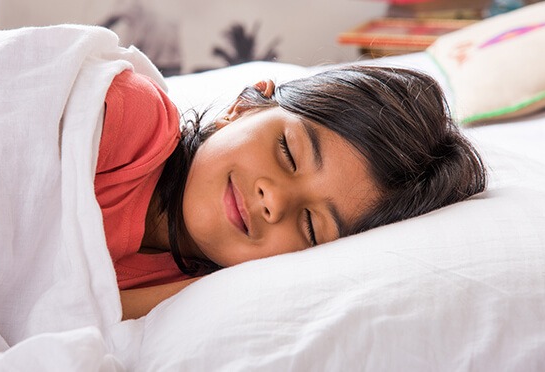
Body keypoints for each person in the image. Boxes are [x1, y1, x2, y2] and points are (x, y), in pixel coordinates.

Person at [98, 65, 487, 320]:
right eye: (287, 152)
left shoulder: (197, 294)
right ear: (243, 106)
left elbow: (69, 314)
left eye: (311, 225)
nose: (275, 201)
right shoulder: (125, 119)